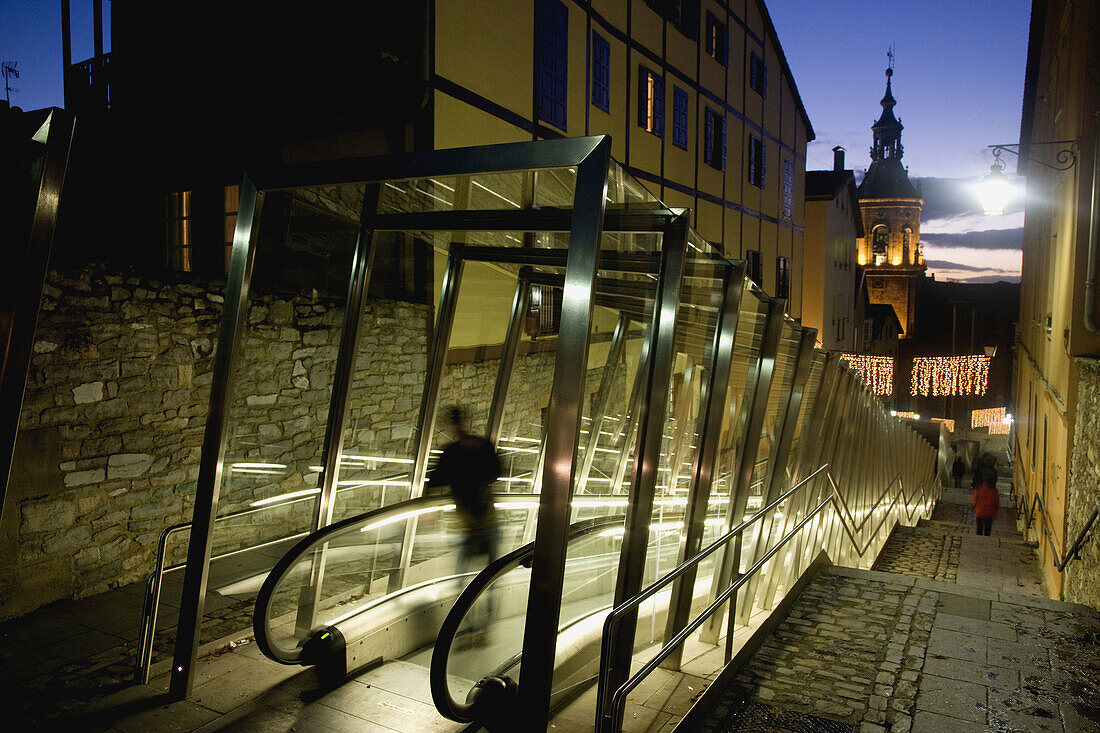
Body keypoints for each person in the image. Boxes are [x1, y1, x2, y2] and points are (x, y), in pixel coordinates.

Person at [425, 406, 502, 576]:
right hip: (485, 523)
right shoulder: (480, 447)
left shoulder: (452, 454)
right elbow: (496, 472)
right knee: (490, 578)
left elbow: (434, 481)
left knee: (462, 577)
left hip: (471, 525)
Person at [971, 453, 1000, 536]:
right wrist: (995, 512)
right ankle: (986, 537)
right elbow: (996, 503)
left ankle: (979, 539)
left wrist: (974, 507)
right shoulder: (994, 492)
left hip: (980, 512)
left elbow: (975, 499)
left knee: (979, 529)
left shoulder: (979, 489)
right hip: (989, 513)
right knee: (988, 529)